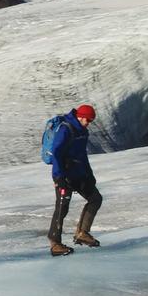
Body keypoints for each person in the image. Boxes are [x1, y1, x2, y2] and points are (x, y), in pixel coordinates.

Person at [47, 103, 104, 256]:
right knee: (62, 207)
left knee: (95, 198)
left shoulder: (83, 131)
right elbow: (56, 153)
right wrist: (59, 177)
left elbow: (82, 155)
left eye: (90, 121)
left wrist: (89, 174)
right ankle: (55, 244)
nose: (88, 123)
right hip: (63, 174)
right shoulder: (66, 128)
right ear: (79, 116)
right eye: (87, 119)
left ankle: (82, 233)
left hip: (79, 173)